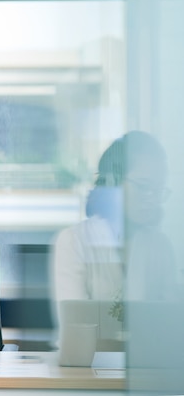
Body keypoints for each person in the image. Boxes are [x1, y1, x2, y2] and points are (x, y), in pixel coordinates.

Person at [50, 131, 178, 347]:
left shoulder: (160, 246)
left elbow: (171, 327)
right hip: (89, 372)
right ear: (114, 180)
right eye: (144, 187)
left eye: (158, 190)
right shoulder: (74, 241)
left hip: (147, 372)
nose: (152, 199)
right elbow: (77, 332)